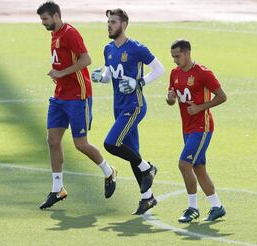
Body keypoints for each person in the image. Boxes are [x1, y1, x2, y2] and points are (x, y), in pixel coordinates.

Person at [37, 1, 116, 209]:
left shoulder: (70, 33)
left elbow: (86, 59)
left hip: (78, 96)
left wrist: (61, 73)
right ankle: (58, 189)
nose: (43, 23)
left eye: (45, 19)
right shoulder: (54, 34)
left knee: (80, 144)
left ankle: (109, 171)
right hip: (59, 96)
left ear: (55, 15)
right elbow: (62, 60)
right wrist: (57, 75)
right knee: (53, 140)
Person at [91, 8, 164, 215]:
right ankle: (147, 198)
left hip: (134, 105)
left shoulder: (136, 48)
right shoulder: (108, 49)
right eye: (108, 22)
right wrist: (101, 77)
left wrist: (139, 82)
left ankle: (148, 168)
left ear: (123, 25)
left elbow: (159, 69)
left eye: (113, 22)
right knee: (133, 154)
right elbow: (109, 73)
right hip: (119, 107)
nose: (109, 25)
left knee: (111, 143)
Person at [166, 39, 227, 223]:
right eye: (173, 57)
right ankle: (217, 207)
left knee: (184, 164)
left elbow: (222, 96)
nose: (175, 60)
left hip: (202, 127)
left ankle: (193, 208)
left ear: (187, 53)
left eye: (177, 56)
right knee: (199, 168)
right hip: (187, 127)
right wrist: (169, 98)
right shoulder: (174, 73)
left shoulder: (202, 73)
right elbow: (172, 100)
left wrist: (201, 107)